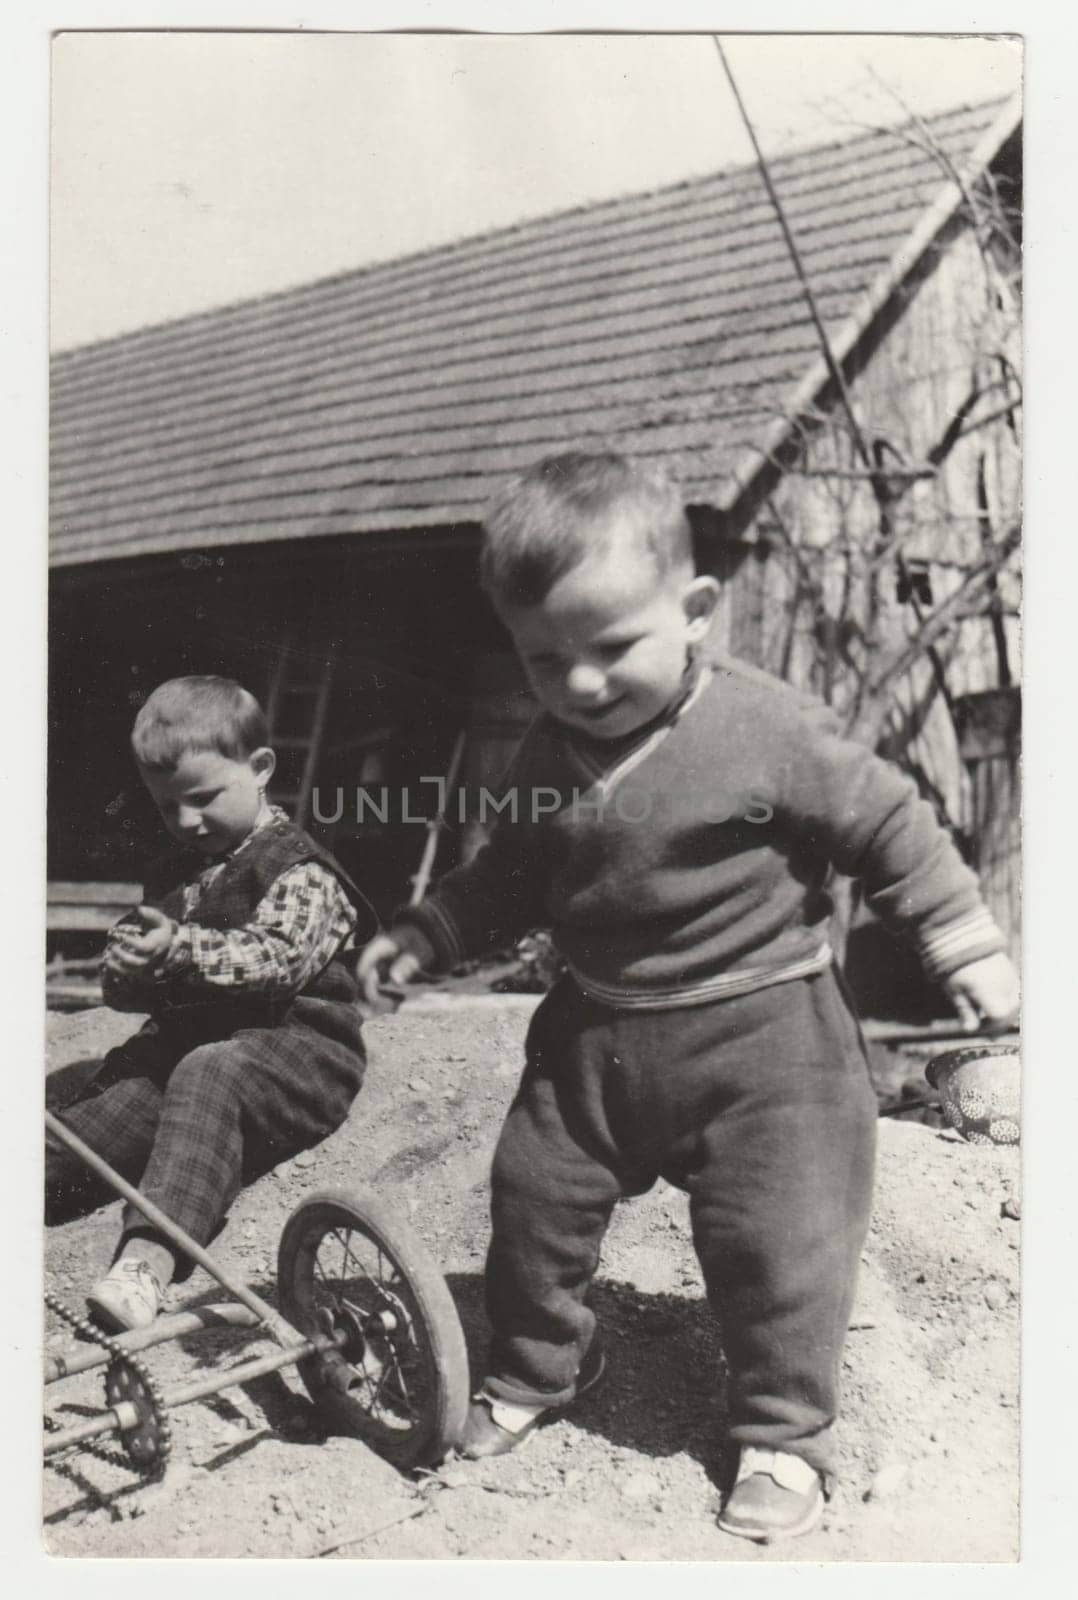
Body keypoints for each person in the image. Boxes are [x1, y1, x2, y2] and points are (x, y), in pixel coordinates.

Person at [356, 452, 1020, 1542]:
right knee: (532, 1198)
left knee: (781, 1242)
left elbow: (888, 823)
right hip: (595, 1037)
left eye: (613, 647)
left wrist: (963, 943)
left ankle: (780, 1430)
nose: (579, 683)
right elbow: (511, 870)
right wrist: (429, 930)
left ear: (696, 611)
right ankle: (538, 1367)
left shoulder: (765, 728)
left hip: (766, 1044)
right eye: (543, 658)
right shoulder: (546, 749)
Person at [47, 675, 372, 1334]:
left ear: (259, 770)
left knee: (208, 1071)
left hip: (297, 1060)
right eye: (168, 807)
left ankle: (146, 1262)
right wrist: (131, 969)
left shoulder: (299, 872)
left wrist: (182, 951)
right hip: (186, 1058)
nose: (187, 821)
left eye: (203, 798)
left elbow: (279, 960)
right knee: (85, 1114)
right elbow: (119, 988)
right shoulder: (174, 874)